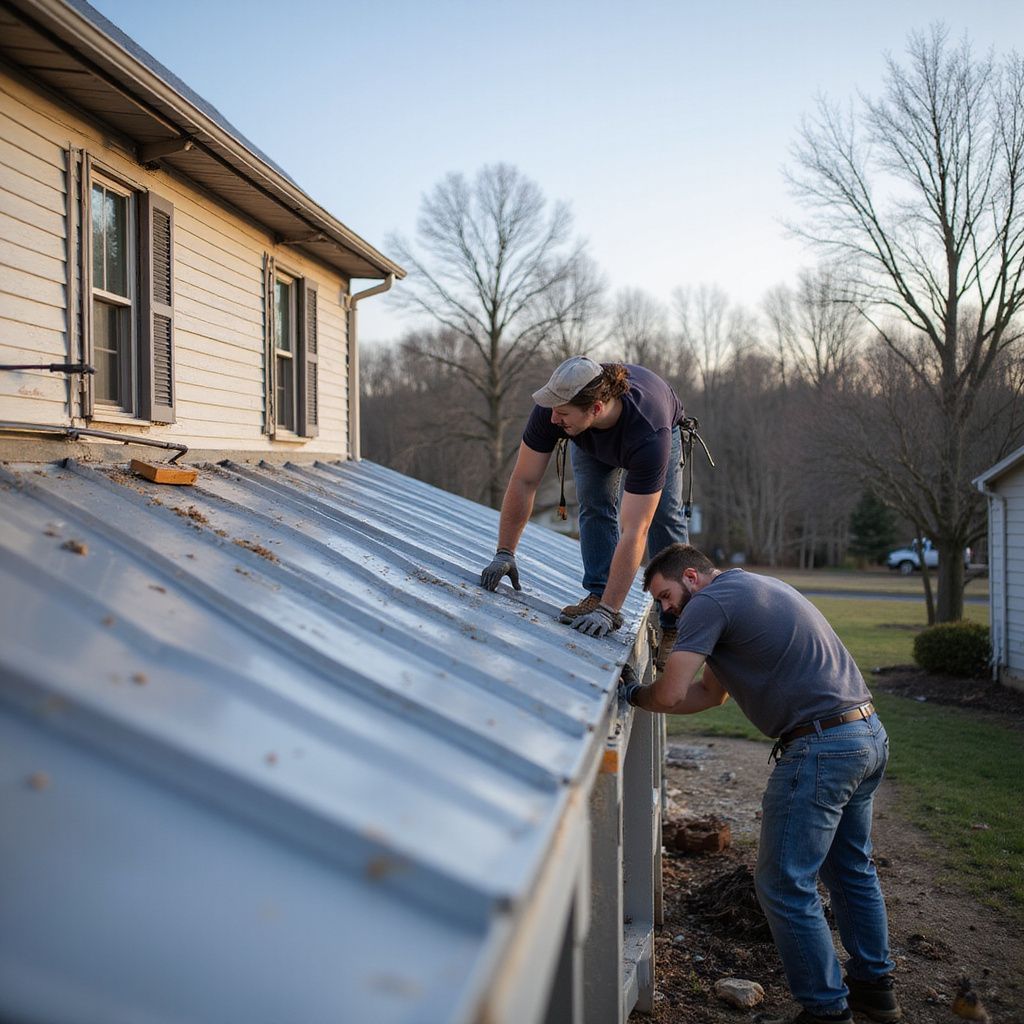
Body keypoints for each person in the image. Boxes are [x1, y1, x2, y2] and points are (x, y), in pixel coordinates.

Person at [621, 544, 900, 1024]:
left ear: (691, 576)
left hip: (821, 748)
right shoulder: (753, 587)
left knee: (782, 884)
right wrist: (657, 696)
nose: (666, 610)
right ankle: (875, 989)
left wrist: (632, 692)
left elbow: (667, 693)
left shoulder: (708, 604)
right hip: (866, 734)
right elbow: (710, 695)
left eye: (666, 596)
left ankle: (826, 1012)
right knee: (850, 869)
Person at [479, 356, 688, 651]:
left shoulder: (650, 434)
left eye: (561, 413)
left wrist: (611, 609)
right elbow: (524, 481)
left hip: (656, 428)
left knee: (663, 519)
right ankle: (598, 594)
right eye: (552, 410)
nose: (552, 419)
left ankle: (677, 623)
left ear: (596, 408)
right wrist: (504, 552)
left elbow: (635, 530)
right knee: (593, 504)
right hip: (588, 435)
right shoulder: (555, 411)